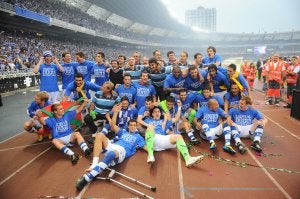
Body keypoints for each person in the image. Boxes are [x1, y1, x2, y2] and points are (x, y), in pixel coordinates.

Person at [75, 104, 146, 191]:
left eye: (134, 125)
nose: (132, 127)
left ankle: (88, 177)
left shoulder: (139, 138)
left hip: (122, 151)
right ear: (128, 126)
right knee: (99, 135)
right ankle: (94, 165)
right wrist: (115, 113)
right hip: (114, 145)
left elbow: (146, 146)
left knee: (111, 154)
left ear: (136, 126)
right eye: (131, 125)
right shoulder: (123, 132)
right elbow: (112, 126)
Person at [36, 98, 91, 164]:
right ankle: (72, 155)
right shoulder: (51, 120)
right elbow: (43, 123)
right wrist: (39, 116)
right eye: (61, 109)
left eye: (62, 108)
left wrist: (84, 103)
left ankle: (86, 150)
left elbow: (78, 110)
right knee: (54, 141)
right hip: (60, 140)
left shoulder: (67, 115)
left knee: (77, 133)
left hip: (70, 137)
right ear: (55, 112)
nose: (63, 110)